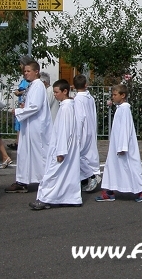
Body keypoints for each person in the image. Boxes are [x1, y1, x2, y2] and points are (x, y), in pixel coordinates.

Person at [97, 84, 142, 203]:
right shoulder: (120, 108)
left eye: (115, 95)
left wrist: (122, 146)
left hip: (122, 145)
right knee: (113, 166)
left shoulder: (125, 109)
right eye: (112, 95)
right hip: (116, 144)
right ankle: (110, 190)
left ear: (123, 96)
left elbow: (124, 128)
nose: (113, 97)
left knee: (129, 166)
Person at [30, 79, 81, 210]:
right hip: (63, 146)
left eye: (56, 92)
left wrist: (61, 151)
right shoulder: (66, 106)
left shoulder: (66, 108)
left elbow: (65, 131)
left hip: (62, 147)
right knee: (65, 174)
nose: (55, 95)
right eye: (53, 92)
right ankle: (68, 197)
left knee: (51, 174)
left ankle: (45, 198)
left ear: (65, 91)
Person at [5, 61, 52, 193]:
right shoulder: (32, 86)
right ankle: (22, 180)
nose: (26, 73)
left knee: (38, 153)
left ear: (36, 72)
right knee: (24, 153)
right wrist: (23, 108)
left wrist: (19, 111)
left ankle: (45, 180)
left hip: (36, 126)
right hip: (29, 125)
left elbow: (35, 106)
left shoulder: (38, 86)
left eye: (28, 71)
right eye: (24, 71)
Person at [73, 74, 101, 192]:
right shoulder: (90, 97)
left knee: (79, 154)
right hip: (90, 128)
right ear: (86, 85)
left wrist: (77, 135)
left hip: (83, 130)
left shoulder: (78, 99)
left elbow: (79, 118)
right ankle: (84, 178)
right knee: (89, 153)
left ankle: (91, 176)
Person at [8, 55, 33, 150]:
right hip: (21, 102)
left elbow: (28, 89)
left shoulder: (30, 80)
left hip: (24, 103)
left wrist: (20, 92)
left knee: (21, 123)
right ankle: (17, 142)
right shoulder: (24, 78)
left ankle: (19, 143)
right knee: (18, 123)